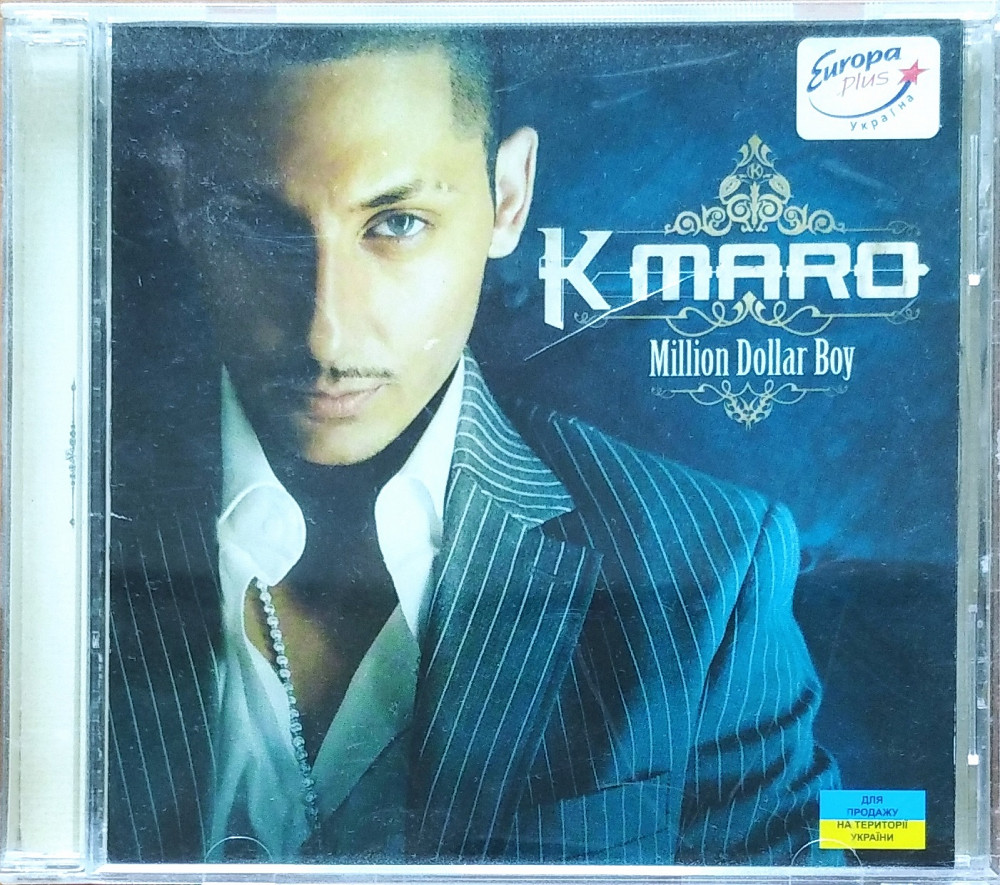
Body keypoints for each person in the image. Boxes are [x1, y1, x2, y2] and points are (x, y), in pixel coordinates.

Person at [108, 27, 839, 866]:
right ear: (182, 198)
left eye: (397, 222)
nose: (325, 331)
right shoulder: (57, 518)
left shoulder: (709, 566)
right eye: (260, 225)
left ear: (509, 195)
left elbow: (835, 850)